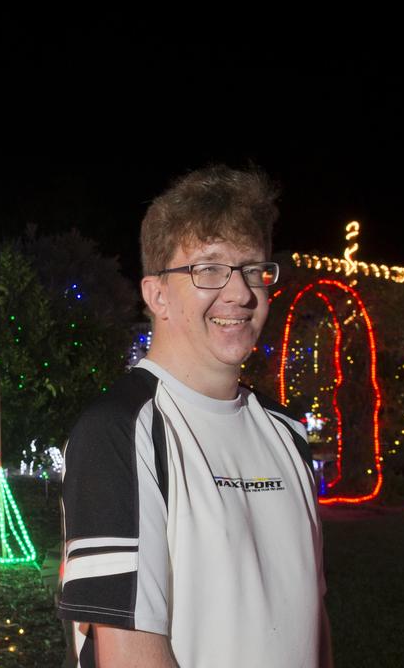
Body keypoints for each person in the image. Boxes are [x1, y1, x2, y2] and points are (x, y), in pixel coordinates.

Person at [57, 165, 331, 667]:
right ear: (156, 294)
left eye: (253, 270)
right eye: (209, 269)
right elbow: (128, 653)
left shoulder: (288, 434)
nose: (240, 294)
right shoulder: (120, 430)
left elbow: (314, 622)